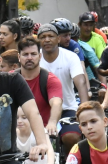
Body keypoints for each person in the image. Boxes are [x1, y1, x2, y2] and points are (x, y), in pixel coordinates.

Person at [37, 24, 89, 154]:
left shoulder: (70, 57)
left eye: (51, 36)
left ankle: (69, 163)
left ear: (58, 39)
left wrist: (84, 108)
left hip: (67, 109)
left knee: (71, 137)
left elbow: (80, 82)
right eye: (43, 37)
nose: (47, 39)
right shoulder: (34, 58)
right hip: (39, 111)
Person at [17, 37, 63, 139]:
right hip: (15, 133)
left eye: (33, 54)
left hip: (42, 132)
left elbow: (56, 103)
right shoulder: (10, 79)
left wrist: (52, 122)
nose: (29, 58)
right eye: (25, 54)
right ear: (19, 57)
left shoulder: (50, 80)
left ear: (40, 56)